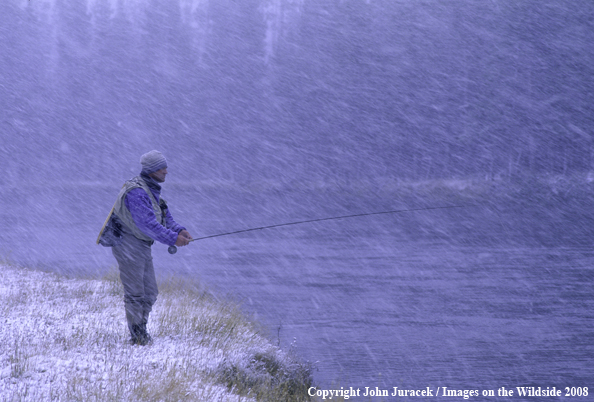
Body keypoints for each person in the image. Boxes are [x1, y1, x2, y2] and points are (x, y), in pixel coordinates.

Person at [109, 150, 192, 345]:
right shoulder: (137, 192)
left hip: (141, 245)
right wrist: (173, 239)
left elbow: (165, 216)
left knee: (150, 292)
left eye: (165, 167)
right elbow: (148, 225)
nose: (166, 172)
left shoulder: (151, 189)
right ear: (152, 170)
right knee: (136, 292)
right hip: (127, 244)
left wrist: (180, 230)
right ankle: (137, 335)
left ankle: (141, 329)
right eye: (162, 168)